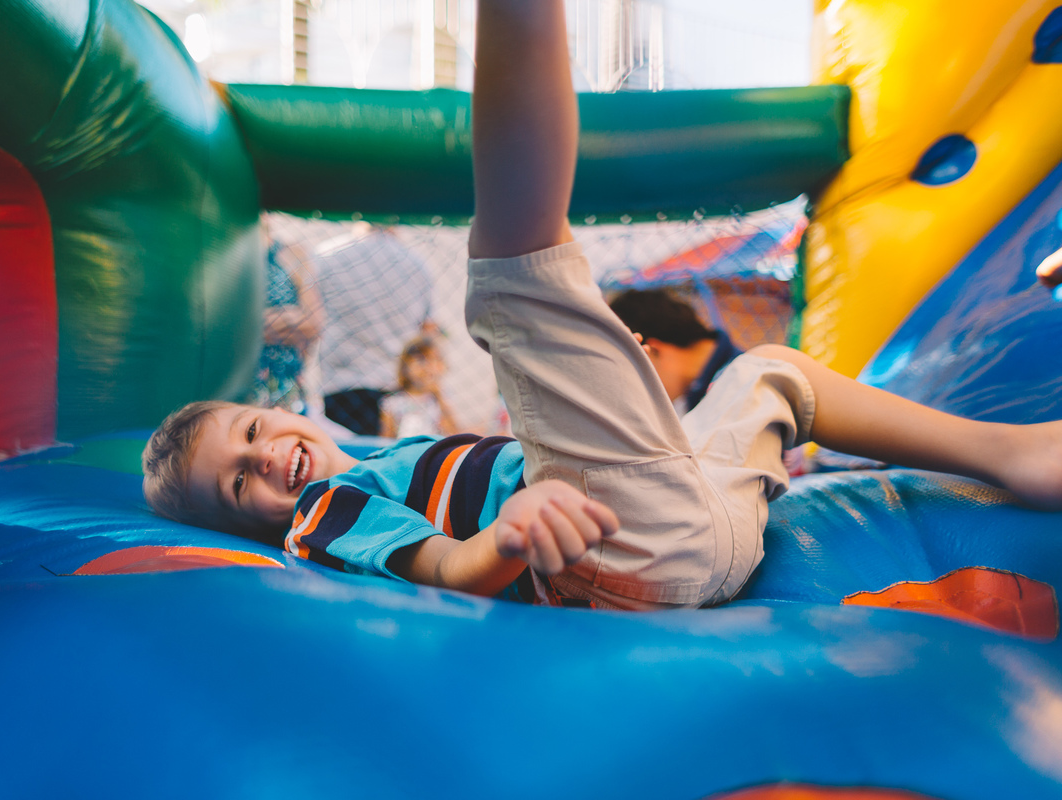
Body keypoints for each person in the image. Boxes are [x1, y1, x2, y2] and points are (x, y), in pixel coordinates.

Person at [144, 0, 1062, 610]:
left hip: (697, 517)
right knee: (510, 269)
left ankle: (1013, 454)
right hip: (621, 554)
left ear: (278, 408)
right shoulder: (329, 511)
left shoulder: (395, 453)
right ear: (250, 523)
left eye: (253, 433)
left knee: (769, 370)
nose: (270, 464)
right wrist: (503, 543)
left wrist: (606, 388)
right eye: (240, 484)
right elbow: (441, 566)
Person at [315, 223, 437, 435]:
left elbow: (312, 320)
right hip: (396, 386)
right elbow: (427, 332)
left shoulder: (327, 256)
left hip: (342, 385)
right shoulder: (416, 264)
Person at [608, 288, 741, 414]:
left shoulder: (745, 381)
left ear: (651, 351)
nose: (636, 392)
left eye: (631, 373)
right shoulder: (698, 391)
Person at [251, 237, 322, 413]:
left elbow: (313, 324)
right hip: (241, 380)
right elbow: (231, 330)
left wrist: (257, 324)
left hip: (287, 383)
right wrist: (290, 316)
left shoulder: (292, 253)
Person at [379, 337, 459, 439]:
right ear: (405, 366)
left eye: (433, 360)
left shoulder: (441, 399)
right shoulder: (392, 403)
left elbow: (453, 433)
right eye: (421, 360)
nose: (427, 367)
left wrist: (439, 396)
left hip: (432, 451)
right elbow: (385, 440)